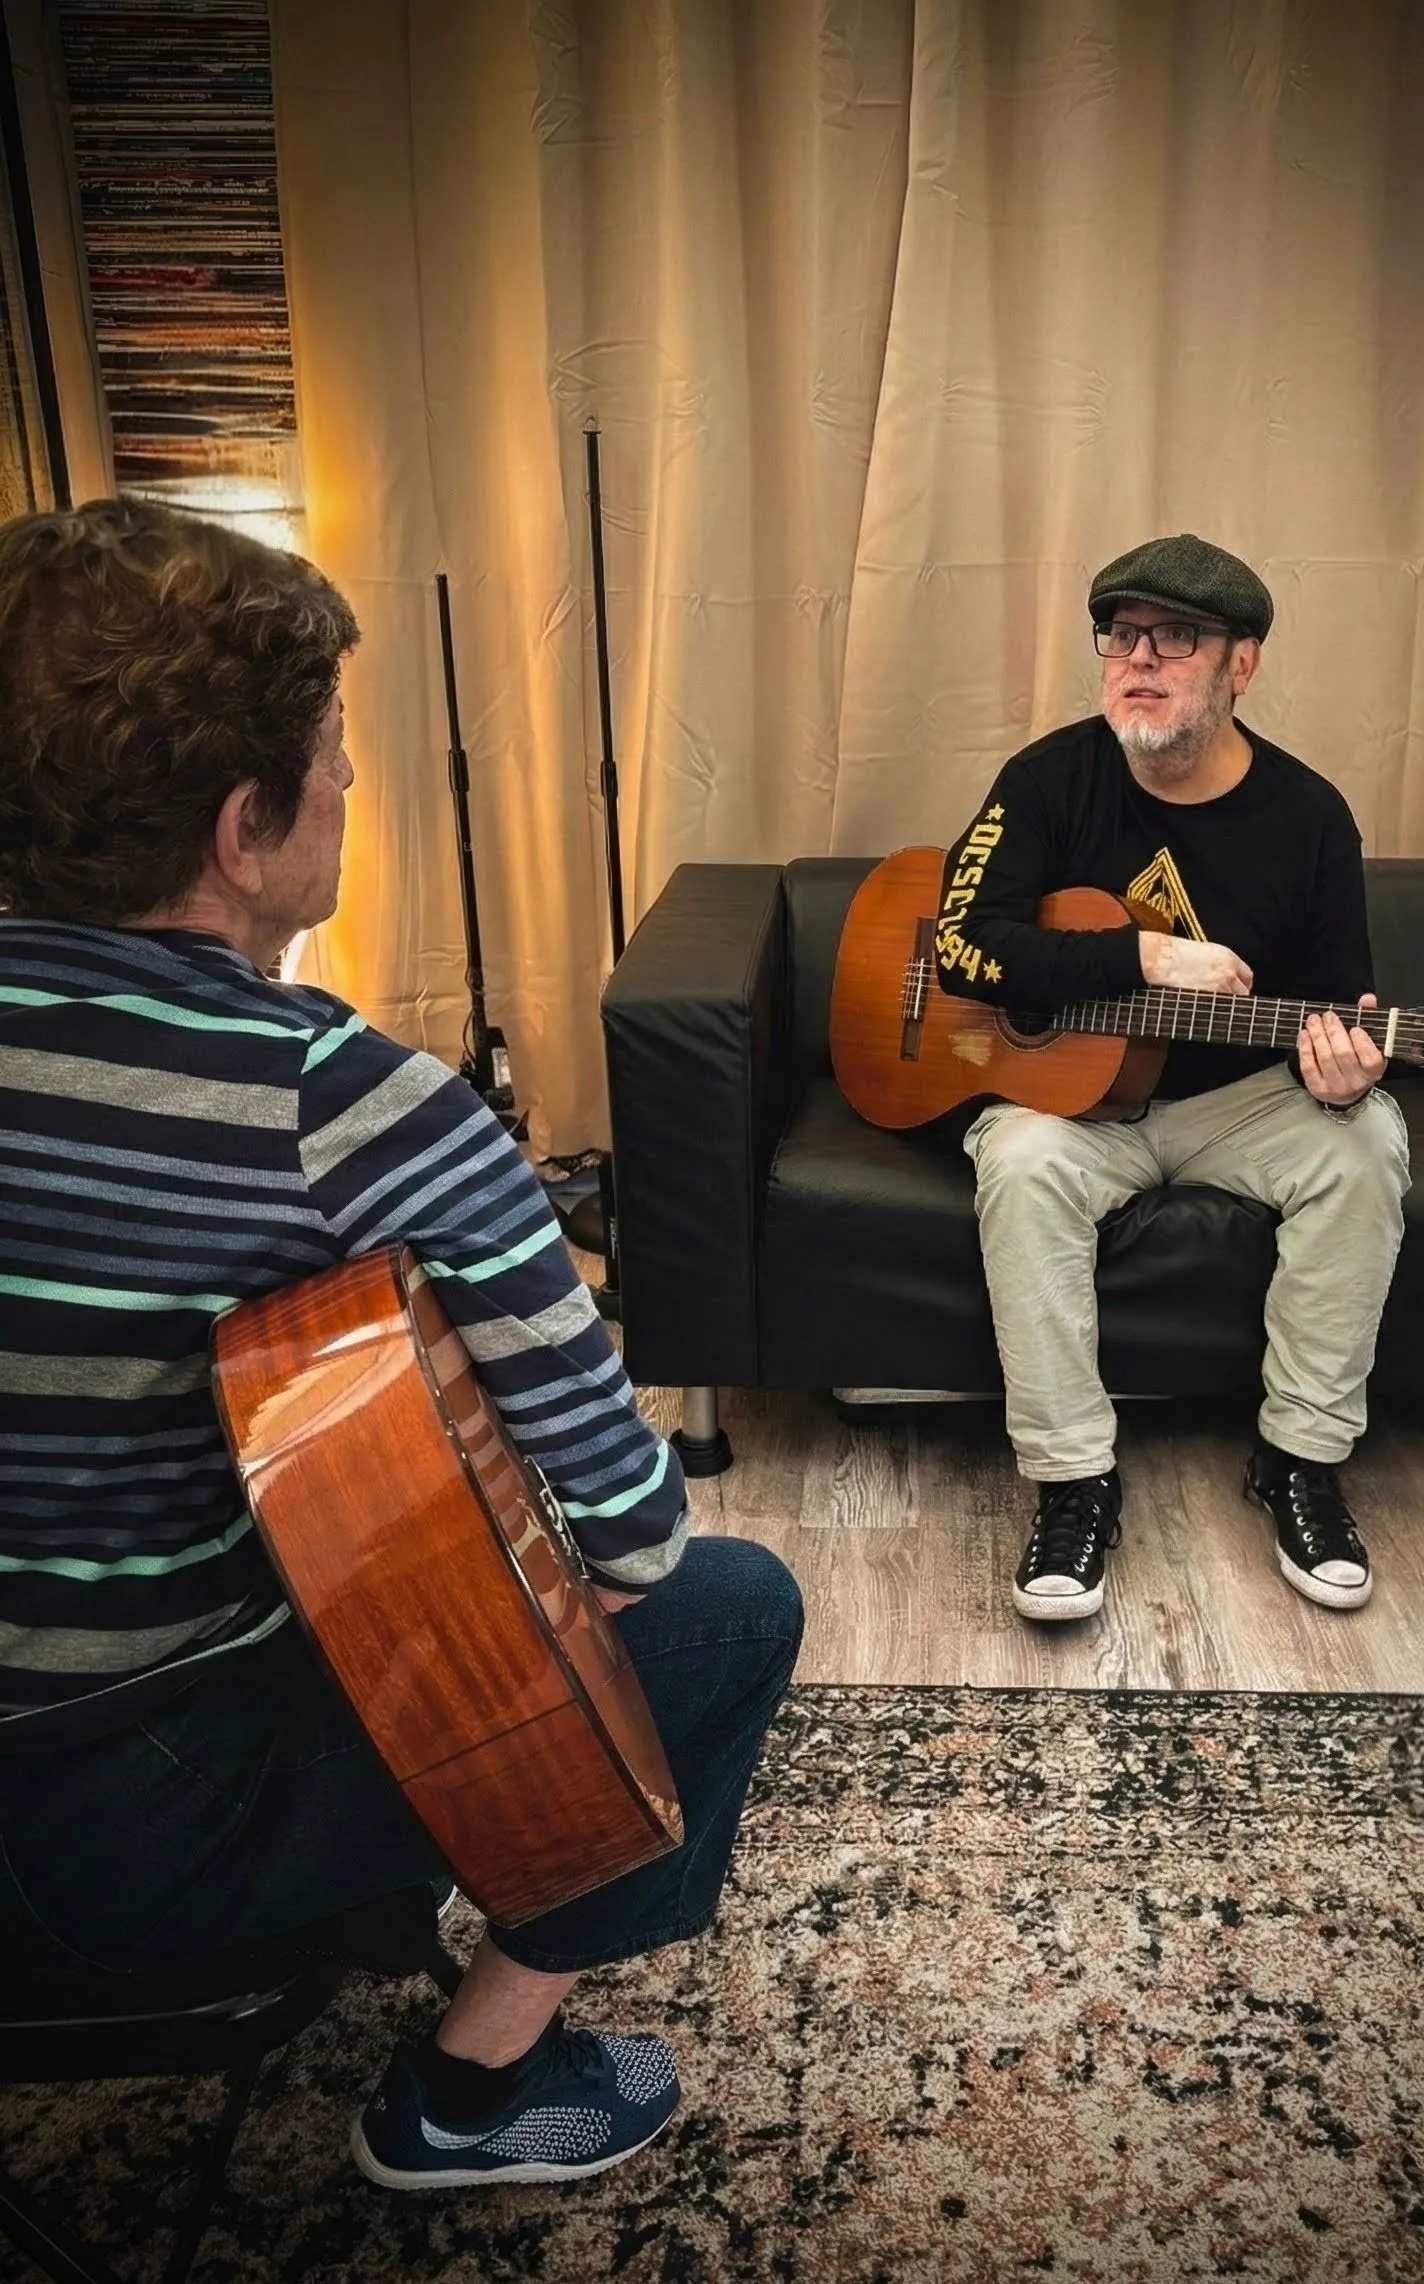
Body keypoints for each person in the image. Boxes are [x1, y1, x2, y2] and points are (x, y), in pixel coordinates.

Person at [0, 497, 803, 2190]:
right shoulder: (348, 1106)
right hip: (116, 1844)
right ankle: (471, 2093)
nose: (352, 783)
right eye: (334, 758)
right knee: (733, 1608)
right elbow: (632, 1539)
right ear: (245, 826)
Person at [935, 532, 1410, 1625]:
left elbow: (1337, 1003)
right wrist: (1139, 955)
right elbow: (961, 945)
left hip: (1241, 1101)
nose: (1138, 658)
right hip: (1074, 1108)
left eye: (1176, 637)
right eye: (1121, 634)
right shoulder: (1047, 779)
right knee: (1019, 1162)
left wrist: (1344, 1076)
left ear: (1242, 664)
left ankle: (1298, 1460)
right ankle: (1072, 1480)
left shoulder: (1308, 816)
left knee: (1368, 1140)